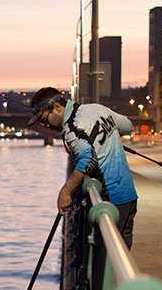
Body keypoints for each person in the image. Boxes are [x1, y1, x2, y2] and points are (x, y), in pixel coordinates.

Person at [27, 86, 138, 248]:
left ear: (57, 107)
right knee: (122, 253)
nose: (46, 126)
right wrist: (105, 137)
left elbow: (88, 158)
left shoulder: (72, 130)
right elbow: (127, 126)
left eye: (45, 119)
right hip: (128, 195)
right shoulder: (97, 109)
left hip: (109, 201)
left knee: (106, 256)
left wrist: (66, 191)